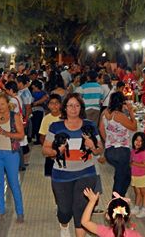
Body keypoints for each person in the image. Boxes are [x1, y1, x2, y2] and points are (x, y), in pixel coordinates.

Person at [42, 93, 103, 237]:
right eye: (70, 105)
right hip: (61, 176)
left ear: (81, 107)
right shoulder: (55, 126)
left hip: (86, 173)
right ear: (65, 108)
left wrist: (92, 147)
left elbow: (100, 148)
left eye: (77, 105)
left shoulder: (90, 125)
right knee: (64, 210)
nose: (74, 109)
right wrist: (57, 151)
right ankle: (64, 225)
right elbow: (45, 150)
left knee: (80, 209)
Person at [0, 93, 25, 223]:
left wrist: (5, 133)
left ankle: (20, 212)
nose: (0, 107)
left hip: (11, 153)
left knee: (13, 183)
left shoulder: (14, 116)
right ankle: (0, 212)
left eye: (2, 104)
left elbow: (21, 135)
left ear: (8, 104)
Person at [99, 92, 137, 197]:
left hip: (110, 150)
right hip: (121, 150)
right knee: (121, 178)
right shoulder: (119, 115)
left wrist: (108, 141)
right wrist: (131, 111)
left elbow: (101, 129)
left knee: (124, 175)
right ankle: (115, 202)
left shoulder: (104, 112)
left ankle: (120, 198)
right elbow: (134, 127)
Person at [39, 94, 62, 176]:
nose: (54, 105)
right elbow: (42, 137)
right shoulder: (46, 119)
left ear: (61, 104)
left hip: (63, 151)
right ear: (48, 105)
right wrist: (49, 152)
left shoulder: (64, 117)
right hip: (51, 152)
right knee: (52, 175)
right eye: (51, 103)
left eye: (57, 103)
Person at [130, 132, 145, 218]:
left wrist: (133, 163)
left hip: (141, 176)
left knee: (143, 193)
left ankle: (144, 210)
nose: (138, 142)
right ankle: (137, 207)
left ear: (143, 143)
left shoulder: (143, 152)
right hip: (134, 175)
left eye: (140, 141)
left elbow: (144, 165)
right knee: (137, 192)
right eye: (136, 140)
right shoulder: (133, 150)